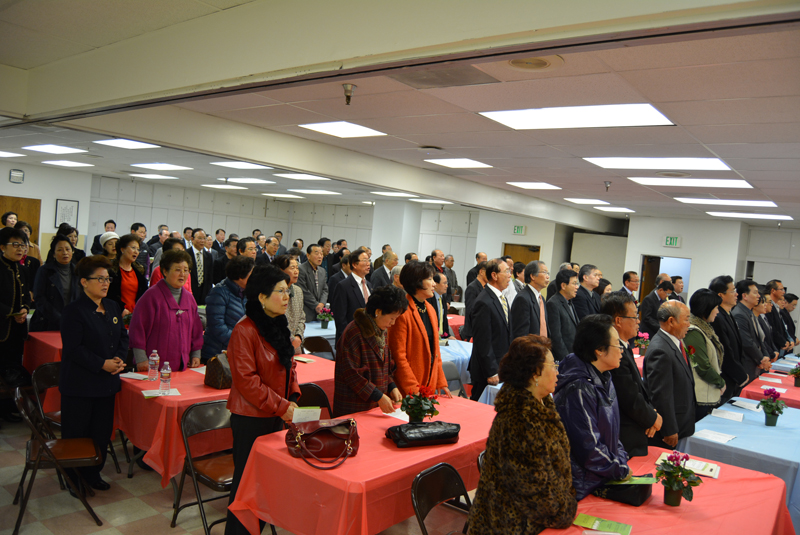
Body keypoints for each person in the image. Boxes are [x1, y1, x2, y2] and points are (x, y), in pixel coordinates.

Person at [467, 335, 577, 534]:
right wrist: (564, 510)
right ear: (535, 374)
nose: (557, 371)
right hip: (513, 525)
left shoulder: (541, 402)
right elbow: (531, 491)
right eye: (553, 365)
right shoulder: (519, 420)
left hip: (539, 515)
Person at [224, 264, 300, 535]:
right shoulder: (244, 330)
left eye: (288, 291)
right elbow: (247, 382)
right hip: (251, 418)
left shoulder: (278, 324)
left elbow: (289, 365)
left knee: (268, 480)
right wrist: (282, 406)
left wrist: (292, 396)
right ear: (262, 297)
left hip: (275, 413)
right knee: (247, 484)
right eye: (280, 291)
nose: (286, 297)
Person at [59, 255, 128, 492]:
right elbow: (73, 349)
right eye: (99, 279)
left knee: (101, 433)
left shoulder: (112, 306)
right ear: (84, 282)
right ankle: (73, 478)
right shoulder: (74, 311)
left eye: (107, 279)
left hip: (106, 384)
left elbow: (123, 336)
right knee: (77, 434)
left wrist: (118, 359)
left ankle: (93, 473)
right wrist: (102, 364)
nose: (105, 283)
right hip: (80, 384)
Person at [554, 314, 631, 500]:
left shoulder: (604, 376)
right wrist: (619, 468)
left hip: (604, 474)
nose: (622, 350)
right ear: (599, 350)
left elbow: (612, 433)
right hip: (584, 484)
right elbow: (588, 447)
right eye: (617, 345)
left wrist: (620, 458)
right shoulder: (580, 388)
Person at [602, 293, 661, 457]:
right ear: (618, 321)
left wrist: (652, 412)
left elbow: (637, 388)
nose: (638, 321)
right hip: (624, 434)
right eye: (634, 317)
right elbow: (628, 396)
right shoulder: (613, 352)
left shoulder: (624, 346)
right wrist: (652, 418)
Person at [333, 286, 407, 417]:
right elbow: (352, 374)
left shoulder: (381, 330)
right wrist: (378, 396)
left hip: (374, 405)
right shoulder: (354, 332)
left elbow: (386, 366)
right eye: (391, 318)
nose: (393, 323)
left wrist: (392, 386)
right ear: (378, 312)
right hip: (354, 407)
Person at [129, 249, 204, 372]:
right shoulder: (151, 296)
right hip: (154, 367)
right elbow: (137, 329)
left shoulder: (189, 299)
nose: (182, 274)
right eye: (178, 270)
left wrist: (196, 354)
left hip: (182, 366)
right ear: (165, 271)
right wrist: (141, 359)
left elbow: (196, 330)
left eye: (186, 270)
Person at [388, 261, 452, 397]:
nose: (434, 284)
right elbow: (398, 357)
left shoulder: (430, 309)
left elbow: (435, 351)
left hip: (428, 385)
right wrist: (413, 388)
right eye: (430, 279)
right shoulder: (402, 312)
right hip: (408, 389)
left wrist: (440, 380)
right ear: (416, 282)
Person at [643, 301, 696, 449]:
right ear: (671, 321)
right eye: (686, 319)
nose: (689, 324)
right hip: (670, 428)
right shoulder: (660, 349)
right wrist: (669, 429)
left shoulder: (673, 342)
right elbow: (661, 395)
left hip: (681, 421)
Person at [468, 258, 512, 401]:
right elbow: (483, 341)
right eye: (507, 271)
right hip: (487, 371)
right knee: (479, 408)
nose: (510, 275)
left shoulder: (501, 298)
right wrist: (491, 371)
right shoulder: (483, 301)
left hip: (501, 366)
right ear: (494, 275)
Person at [0, 227, 32, 422]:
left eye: (22, 245)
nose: (20, 249)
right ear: (2, 247)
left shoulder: (23, 269)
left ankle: (9, 409)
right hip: (2, 326)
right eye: (15, 245)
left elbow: (27, 296)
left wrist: (25, 309)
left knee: (13, 369)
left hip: (17, 329)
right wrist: (11, 313)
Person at [202, 256, 254, 363]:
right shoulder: (218, 292)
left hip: (239, 350)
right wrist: (240, 341)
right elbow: (217, 326)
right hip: (218, 353)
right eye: (252, 274)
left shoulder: (247, 292)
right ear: (241, 276)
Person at [685, 289, 726, 421]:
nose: (717, 312)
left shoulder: (705, 328)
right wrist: (720, 382)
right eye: (716, 308)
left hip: (704, 390)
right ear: (706, 309)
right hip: (698, 394)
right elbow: (701, 365)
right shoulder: (693, 331)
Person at [709, 275, 749, 402]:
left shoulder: (728, 313)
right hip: (724, 377)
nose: (736, 294)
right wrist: (740, 375)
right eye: (732, 291)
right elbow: (724, 351)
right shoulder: (717, 317)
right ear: (721, 295)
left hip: (732, 377)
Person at [30, 235, 79, 332]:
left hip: (71, 322)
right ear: (53, 254)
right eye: (60, 250)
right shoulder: (44, 271)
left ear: (72, 251)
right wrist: (59, 319)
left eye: (68, 249)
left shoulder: (78, 271)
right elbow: (39, 298)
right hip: (47, 322)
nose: (65, 253)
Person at [731, 279, 772, 380]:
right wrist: (761, 359)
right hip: (746, 363)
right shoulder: (739, 314)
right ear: (745, 296)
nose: (758, 296)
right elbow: (747, 342)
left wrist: (765, 356)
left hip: (754, 363)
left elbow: (759, 340)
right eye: (755, 293)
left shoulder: (749, 313)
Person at [331, 247, 372, 342]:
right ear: (354, 264)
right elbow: (340, 318)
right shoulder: (343, 286)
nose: (368, 263)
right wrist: (347, 339)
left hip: (368, 338)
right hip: (351, 339)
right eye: (364, 260)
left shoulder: (369, 285)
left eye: (369, 260)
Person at [107, 234, 147, 318]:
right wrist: (121, 309)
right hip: (116, 313)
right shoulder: (111, 270)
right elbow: (109, 294)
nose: (136, 252)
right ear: (122, 249)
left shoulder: (140, 270)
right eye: (133, 248)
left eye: (138, 249)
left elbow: (144, 294)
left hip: (136, 314)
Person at [274, 254, 305, 354]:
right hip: (278, 344)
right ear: (281, 270)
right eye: (292, 268)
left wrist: (298, 336)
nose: (296, 271)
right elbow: (275, 320)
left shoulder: (298, 291)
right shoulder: (274, 292)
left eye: (297, 268)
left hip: (296, 345)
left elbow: (302, 317)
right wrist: (292, 339)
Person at [510, 260, 549, 339]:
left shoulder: (541, 298)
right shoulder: (522, 298)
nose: (547, 276)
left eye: (548, 273)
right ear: (532, 276)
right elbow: (521, 334)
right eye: (544, 272)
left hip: (542, 345)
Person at [547, 269, 580, 362]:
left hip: (574, 354)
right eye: (574, 283)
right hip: (563, 359)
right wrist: (567, 359)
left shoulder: (570, 302)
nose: (577, 287)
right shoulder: (553, 303)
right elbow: (556, 337)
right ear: (563, 286)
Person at [297, 243, 329, 322]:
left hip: (320, 313)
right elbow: (303, 290)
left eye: (321, 254)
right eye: (317, 253)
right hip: (306, 312)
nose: (320, 256)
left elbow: (325, 289)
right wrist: (316, 305)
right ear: (308, 255)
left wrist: (322, 303)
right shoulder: (301, 269)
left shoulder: (322, 271)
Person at [460, 260, 487, 340]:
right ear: (481, 272)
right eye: (488, 272)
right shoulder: (472, 287)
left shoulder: (485, 287)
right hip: (472, 331)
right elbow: (470, 311)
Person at [189, 228, 213, 305]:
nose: (202, 241)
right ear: (192, 239)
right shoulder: (186, 254)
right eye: (199, 238)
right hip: (189, 291)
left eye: (204, 238)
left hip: (204, 293)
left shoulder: (208, 256)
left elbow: (210, 277)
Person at [428, 273, 450, 339]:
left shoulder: (443, 297)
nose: (447, 286)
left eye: (447, 283)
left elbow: (444, 319)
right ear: (436, 284)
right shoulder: (429, 298)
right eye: (444, 283)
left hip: (442, 337)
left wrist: (447, 335)